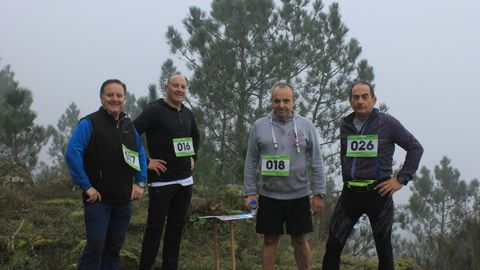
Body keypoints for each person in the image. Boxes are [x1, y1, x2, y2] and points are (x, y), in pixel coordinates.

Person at [322, 80, 424, 270]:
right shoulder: (345, 124)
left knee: (383, 249)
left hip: (378, 194)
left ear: (374, 99)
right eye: (356, 97)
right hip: (350, 193)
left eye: (365, 97)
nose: (360, 101)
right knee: (333, 245)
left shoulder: (387, 123)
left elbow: (415, 148)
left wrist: (400, 180)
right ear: (350, 100)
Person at [66, 79, 147, 270]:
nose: (115, 99)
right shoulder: (89, 123)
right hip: (98, 201)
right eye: (110, 95)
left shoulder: (128, 125)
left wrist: (140, 182)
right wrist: (86, 186)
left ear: (124, 99)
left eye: (119, 95)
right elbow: (73, 153)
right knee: (96, 247)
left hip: (123, 201)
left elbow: (140, 153)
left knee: (113, 249)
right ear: (102, 97)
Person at [244, 82, 326, 270]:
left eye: (286, 100)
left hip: (298, 195)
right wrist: (249, 192)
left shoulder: (306, 125)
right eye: (277, 101)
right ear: (271, 101)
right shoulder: (259, 125)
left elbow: (316, 161)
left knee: (299, 240)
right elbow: (251, 162)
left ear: (294, 101)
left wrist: (319, 193)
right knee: (270, 240)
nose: (282, 105)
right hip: (269, 195)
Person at [134, 74, 200, 270]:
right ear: (167, 87)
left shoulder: (187, 113)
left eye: (183, 86)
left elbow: (196, 136)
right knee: (154, 230)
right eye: (175, 86)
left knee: (176, 229)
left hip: (185, 182)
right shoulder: (154, 110)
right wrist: (145, 161)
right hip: (161, 182)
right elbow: (130, 132)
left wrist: (193, 157)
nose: (180, 90)